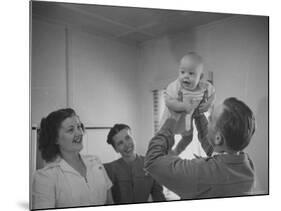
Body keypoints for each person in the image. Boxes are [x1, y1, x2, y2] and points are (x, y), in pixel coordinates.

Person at [145, 97, 256, 199]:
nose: (208, 119)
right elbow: (212, 145)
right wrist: (198, 114)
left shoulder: (200, 173)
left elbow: (152, 161)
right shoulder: (246, 164)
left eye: (211, 119)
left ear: (218, 138)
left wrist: (171, 120)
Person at [32, 108, 113, 209]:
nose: (79, 133)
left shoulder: (96, 162)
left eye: (79, 127)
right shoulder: (45, 177)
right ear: (55, 139)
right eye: (71, 130)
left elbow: (110, 202)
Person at [160, 52, 215, 155]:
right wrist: (182, 106)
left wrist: (208, 104)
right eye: (182, 72)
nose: (186, 76)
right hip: (171, 119)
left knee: (188, 138)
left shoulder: (204, 86)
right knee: (166, 139)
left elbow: (213, 94)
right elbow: (168, 101)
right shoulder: (176, 86)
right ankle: (164, 154)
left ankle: (175, 152)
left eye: (191, 73)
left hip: (186, 120)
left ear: (200, 77)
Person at [104, 124, 166, 204]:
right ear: (116, 149)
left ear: (133, 137)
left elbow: (159, 197)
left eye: (128, 138)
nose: (126, 145)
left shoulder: (151, 165)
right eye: (120, 143)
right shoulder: (109, 170)